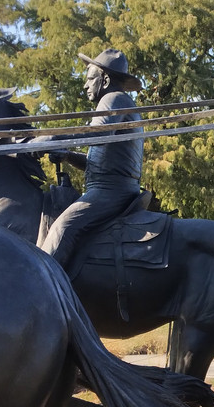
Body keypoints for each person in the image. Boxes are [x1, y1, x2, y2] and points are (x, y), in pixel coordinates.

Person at [42, 48, 144, 269]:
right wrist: (68, 156)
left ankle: (40, 283)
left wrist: (55, 138)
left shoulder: (113, 98)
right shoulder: (117, 101)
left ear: (105, 80)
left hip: (111, 192)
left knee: (62, 228)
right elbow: (99, 163)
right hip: (111, 188)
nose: (85, 85)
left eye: (90, 79)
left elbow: (98, 134)